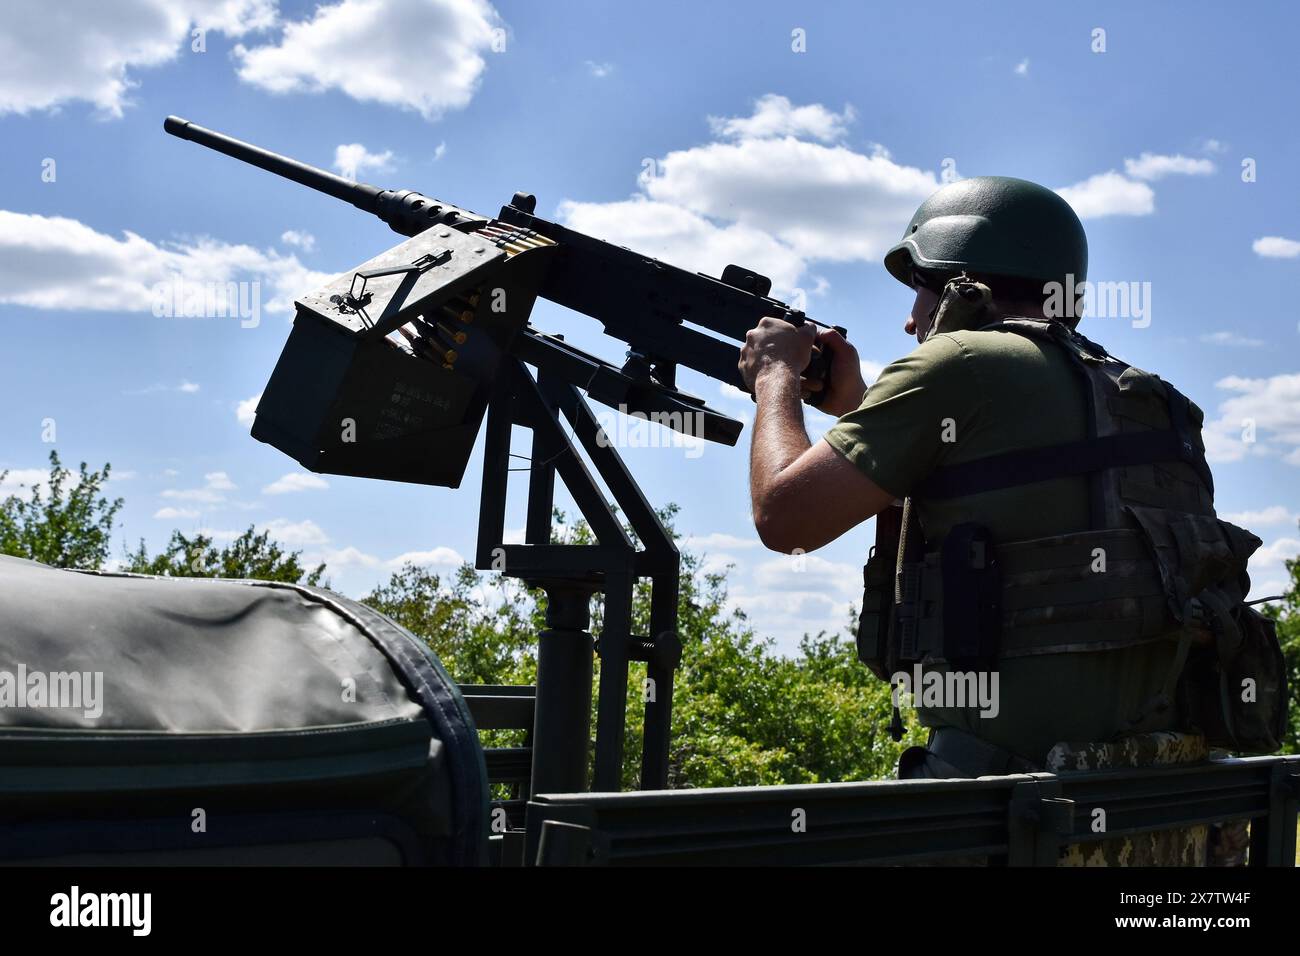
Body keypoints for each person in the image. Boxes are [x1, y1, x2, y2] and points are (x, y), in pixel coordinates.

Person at [737, 176, 1273, 815]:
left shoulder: (957, 363)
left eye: (920, 291)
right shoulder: (1147, 399)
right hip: (1146, 793)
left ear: (965, 286)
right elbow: (976, 502)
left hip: (1000, 802)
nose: (911, 321)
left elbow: (785, 518)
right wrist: (856, 410)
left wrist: (776, 378)